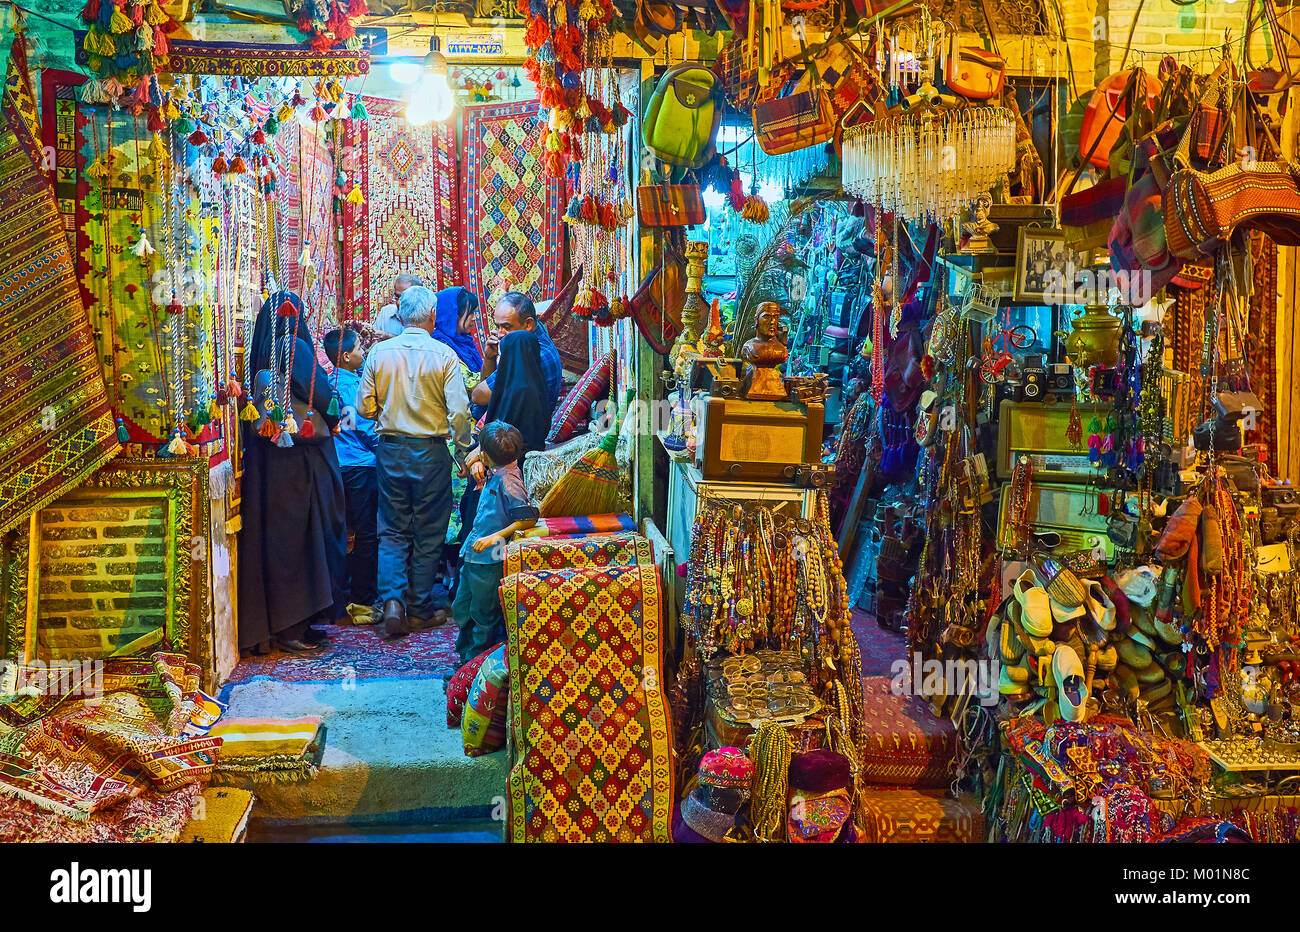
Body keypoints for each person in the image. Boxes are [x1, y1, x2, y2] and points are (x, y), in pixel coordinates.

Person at [357, 285, 474, 638]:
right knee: (428, 529)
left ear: (400, 313)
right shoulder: (444, 355)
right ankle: (420, 607)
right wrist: (465, 448)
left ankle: (393, 602)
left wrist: (387, 413)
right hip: (432, 453)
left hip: (390, 450)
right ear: (432, 315)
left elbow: (363, 407)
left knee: (391, 528)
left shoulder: (379, 353)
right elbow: (459, 412)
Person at [238, 292, 346, 655]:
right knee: (302, 544)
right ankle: (292, 626)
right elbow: (324, 398)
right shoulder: (293, 347)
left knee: (285, 545)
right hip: (301, 468)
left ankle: (291, 623)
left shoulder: (262, 358)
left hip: (275, 468)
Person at [453, 420, 538, 669]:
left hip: (490, 560)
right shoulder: (496, 469)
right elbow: (471, 459)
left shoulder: (509, 480)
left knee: (483, 615)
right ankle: (464, 659)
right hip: (474, 556)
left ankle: (474, 666)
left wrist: (496, 536)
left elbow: (527, 517)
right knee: (463, 607)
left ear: (489, 455)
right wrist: (476, 460)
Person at [323, 327, 379, 618]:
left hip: (336, 464)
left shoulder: (326, 381)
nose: (363, 352)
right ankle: (362, 599)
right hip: (359, 465)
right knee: (367, 533)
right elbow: (360, 426)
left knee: (342, 532)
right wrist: (384, 448)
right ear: (345, 356)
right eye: (358, 348)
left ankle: (336, 596)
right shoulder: (349, 387)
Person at [470, 291, 563, 417]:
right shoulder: (538, 334)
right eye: (497, 326)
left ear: (528, 324)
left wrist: (489, 360)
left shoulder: (529, 357)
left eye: (507, 327)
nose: (499, 334)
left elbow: (478, 396)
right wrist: (489, 357)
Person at [371, 273, 424, 338]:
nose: (398, 302)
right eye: (397, 296)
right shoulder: (386, 312)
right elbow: (373, 340)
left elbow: (422, 344)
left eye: (404, 297)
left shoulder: (427, 315)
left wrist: (388, 336)